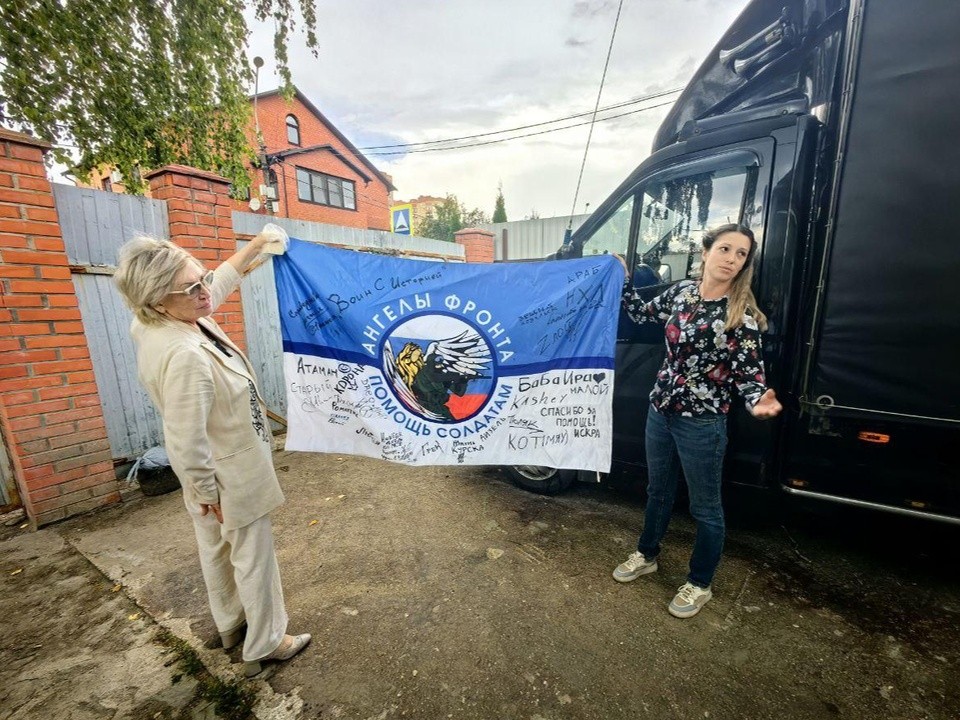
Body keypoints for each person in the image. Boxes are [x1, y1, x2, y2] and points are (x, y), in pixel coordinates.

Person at [114, 232, 310, 676]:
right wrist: (208, 493)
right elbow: (184, 436)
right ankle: (267, 642)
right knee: (254, 559)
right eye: (191, 288)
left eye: (200, 277)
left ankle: (230, 626)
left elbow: (217, 283)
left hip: (206, 474)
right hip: (226, 474)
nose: (205, 291)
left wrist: (257, 244)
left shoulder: (159, 320)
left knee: (216, 551)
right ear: (158, 301)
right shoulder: (184, 355)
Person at [612, 223, 782, 618]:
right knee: (658, 491)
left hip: (702, 424)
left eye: (741, 255)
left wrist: (760, 400)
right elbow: (639, 312)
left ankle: (700, 583)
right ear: (705, 252)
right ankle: (647, 554)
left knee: (706, 508)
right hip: (661, 411)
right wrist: (621, 279)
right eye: (725, 249)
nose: (732, 259)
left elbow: (751, 379)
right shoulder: (681, 293)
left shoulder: (741, 317)